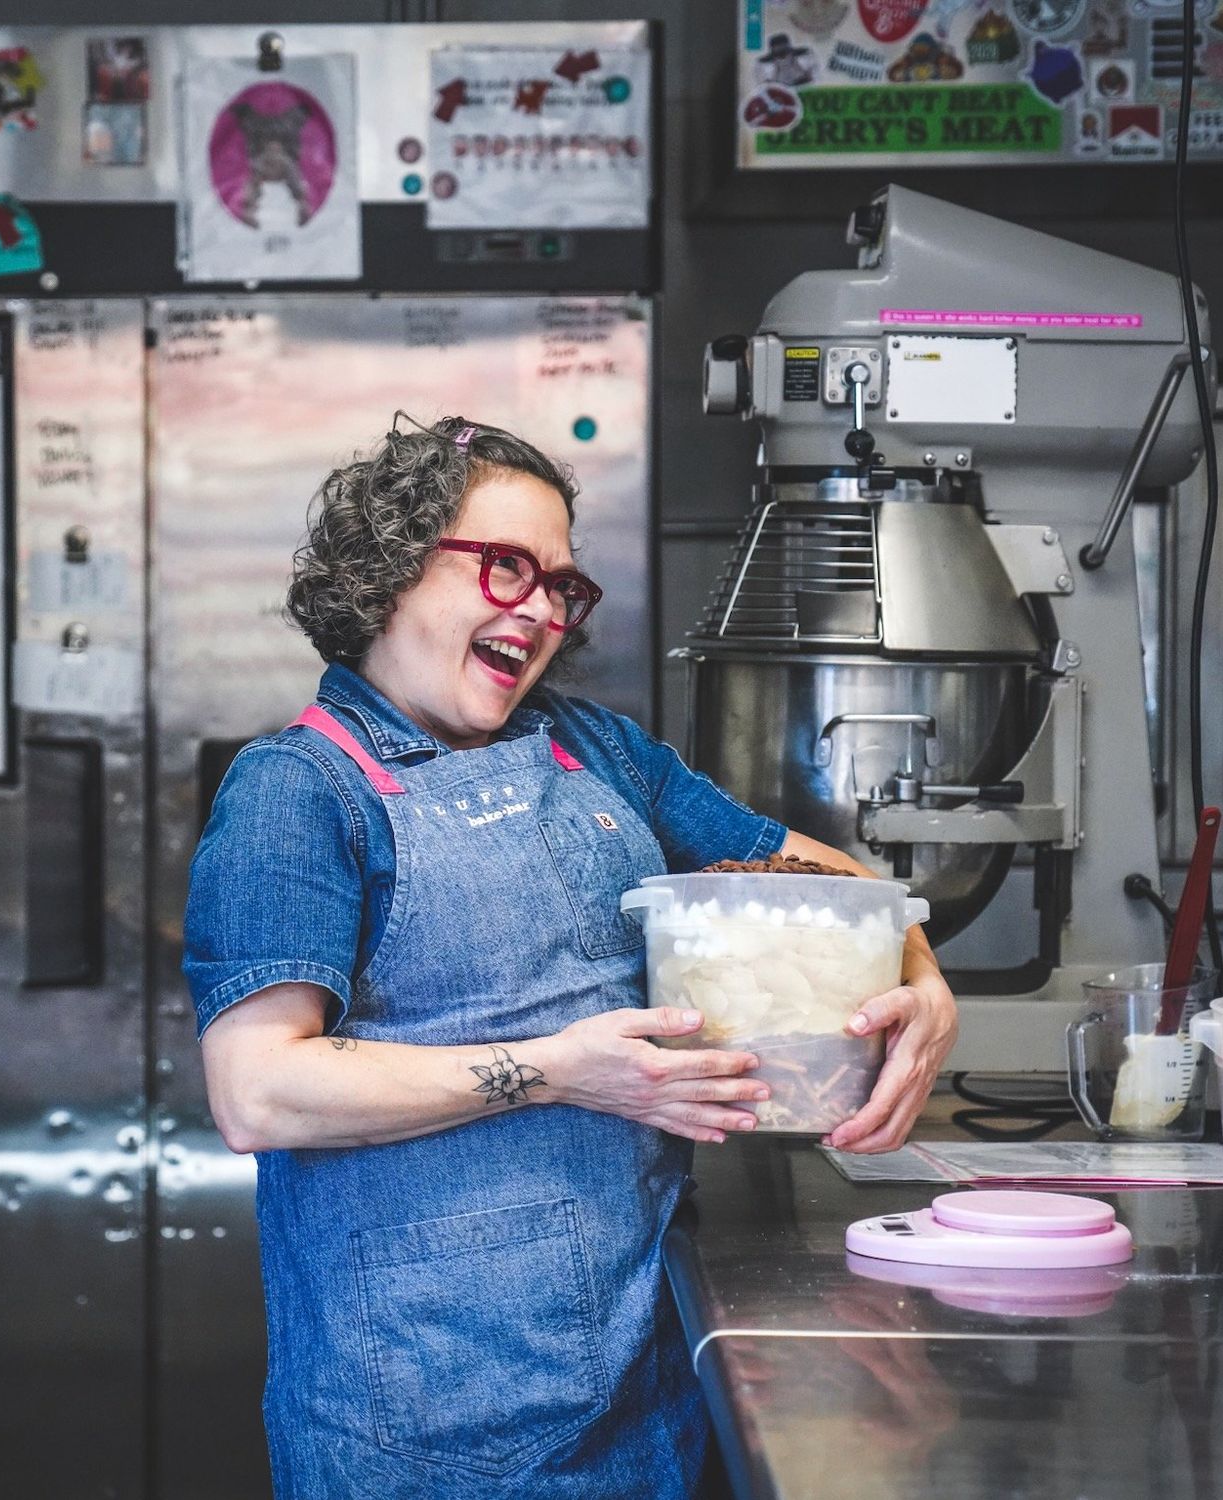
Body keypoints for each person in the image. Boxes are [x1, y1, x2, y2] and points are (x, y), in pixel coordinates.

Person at [182, 416, 958, 1498]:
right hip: (429, 1421)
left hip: (639, 1381)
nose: (542, 610)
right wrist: (559, 1068)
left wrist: (918, 974)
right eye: (506, 570)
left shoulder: (592, 748)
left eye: (559, 585)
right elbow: (259, 1091)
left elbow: (815, 876)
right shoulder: (300, 791)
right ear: (387, 570)